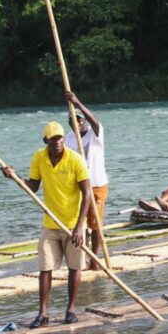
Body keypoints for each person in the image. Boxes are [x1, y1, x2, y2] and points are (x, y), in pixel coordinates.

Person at [2, 122, 93, 328]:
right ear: (46, 141)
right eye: (53, 139)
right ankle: (43, 313)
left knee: (74, 267)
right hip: (50, 224)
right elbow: (32, 186)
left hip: (72, 224)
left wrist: (80, 226)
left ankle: (70, 310)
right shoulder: (39, 158)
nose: (58, 142)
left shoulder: (75, 159)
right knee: (45, 268)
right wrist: (14, 177)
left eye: (60, 138)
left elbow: (87, 193)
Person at [63, 91, 107, 271]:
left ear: (84, 122)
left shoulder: (94, 133)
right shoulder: (68, 138)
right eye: (74, 120)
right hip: (79, 186)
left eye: (80, 120)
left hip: (97, 184)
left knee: (95, 223)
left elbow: (94, 120)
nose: (78, 123)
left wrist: (77, 102)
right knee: (82, 224)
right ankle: (85, 258)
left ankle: (95, 259)